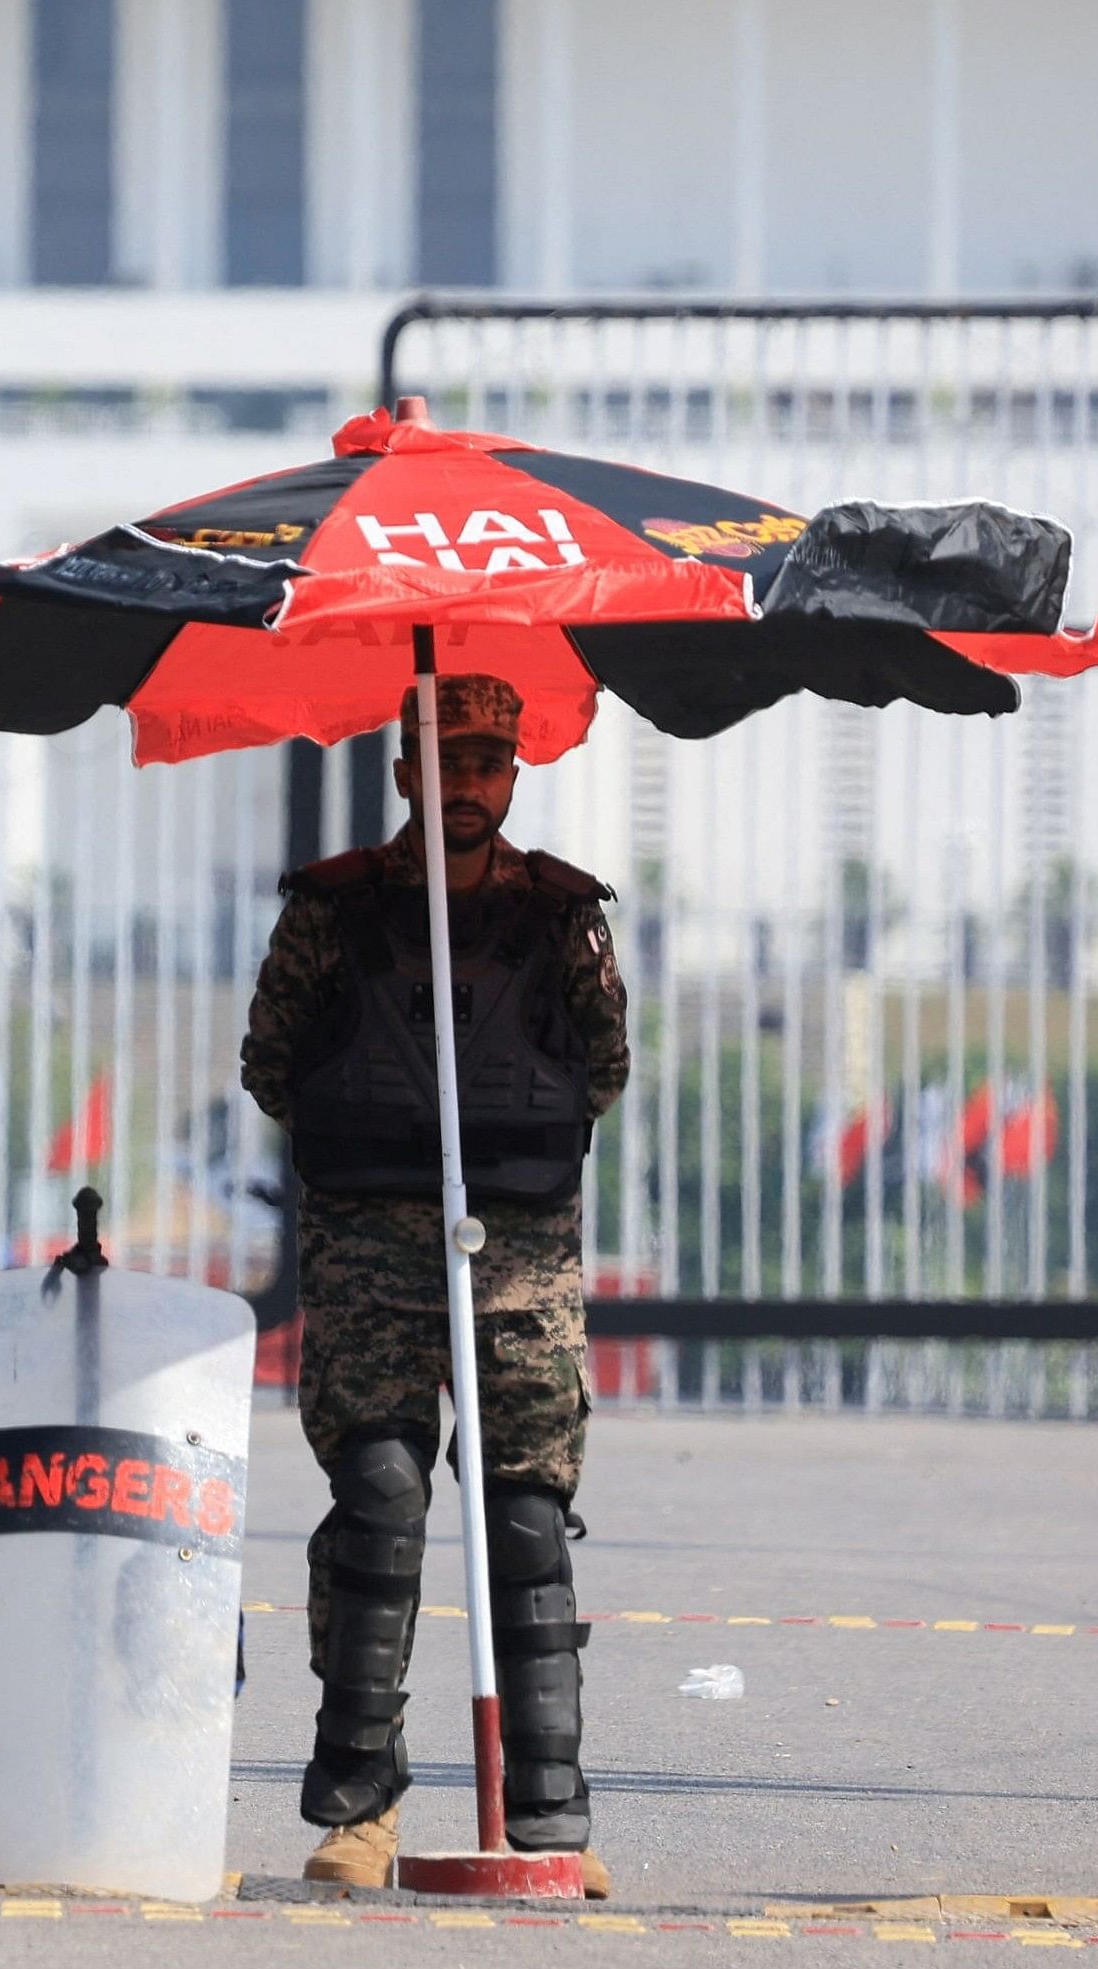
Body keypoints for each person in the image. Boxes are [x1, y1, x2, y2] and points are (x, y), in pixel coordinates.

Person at [239, 673, 631, 1896]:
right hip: (367, 1259)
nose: (466, 786)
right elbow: (270, 1065)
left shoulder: (561, 916)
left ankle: (547, 1818)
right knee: (379, 1503)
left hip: (515, 1266)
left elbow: (603, 1067)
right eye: (443, 760)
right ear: (404, 770)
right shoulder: (331, 912)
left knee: (521, 1523)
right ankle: (361, 1810)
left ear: (512, 774)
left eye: (487, 764)